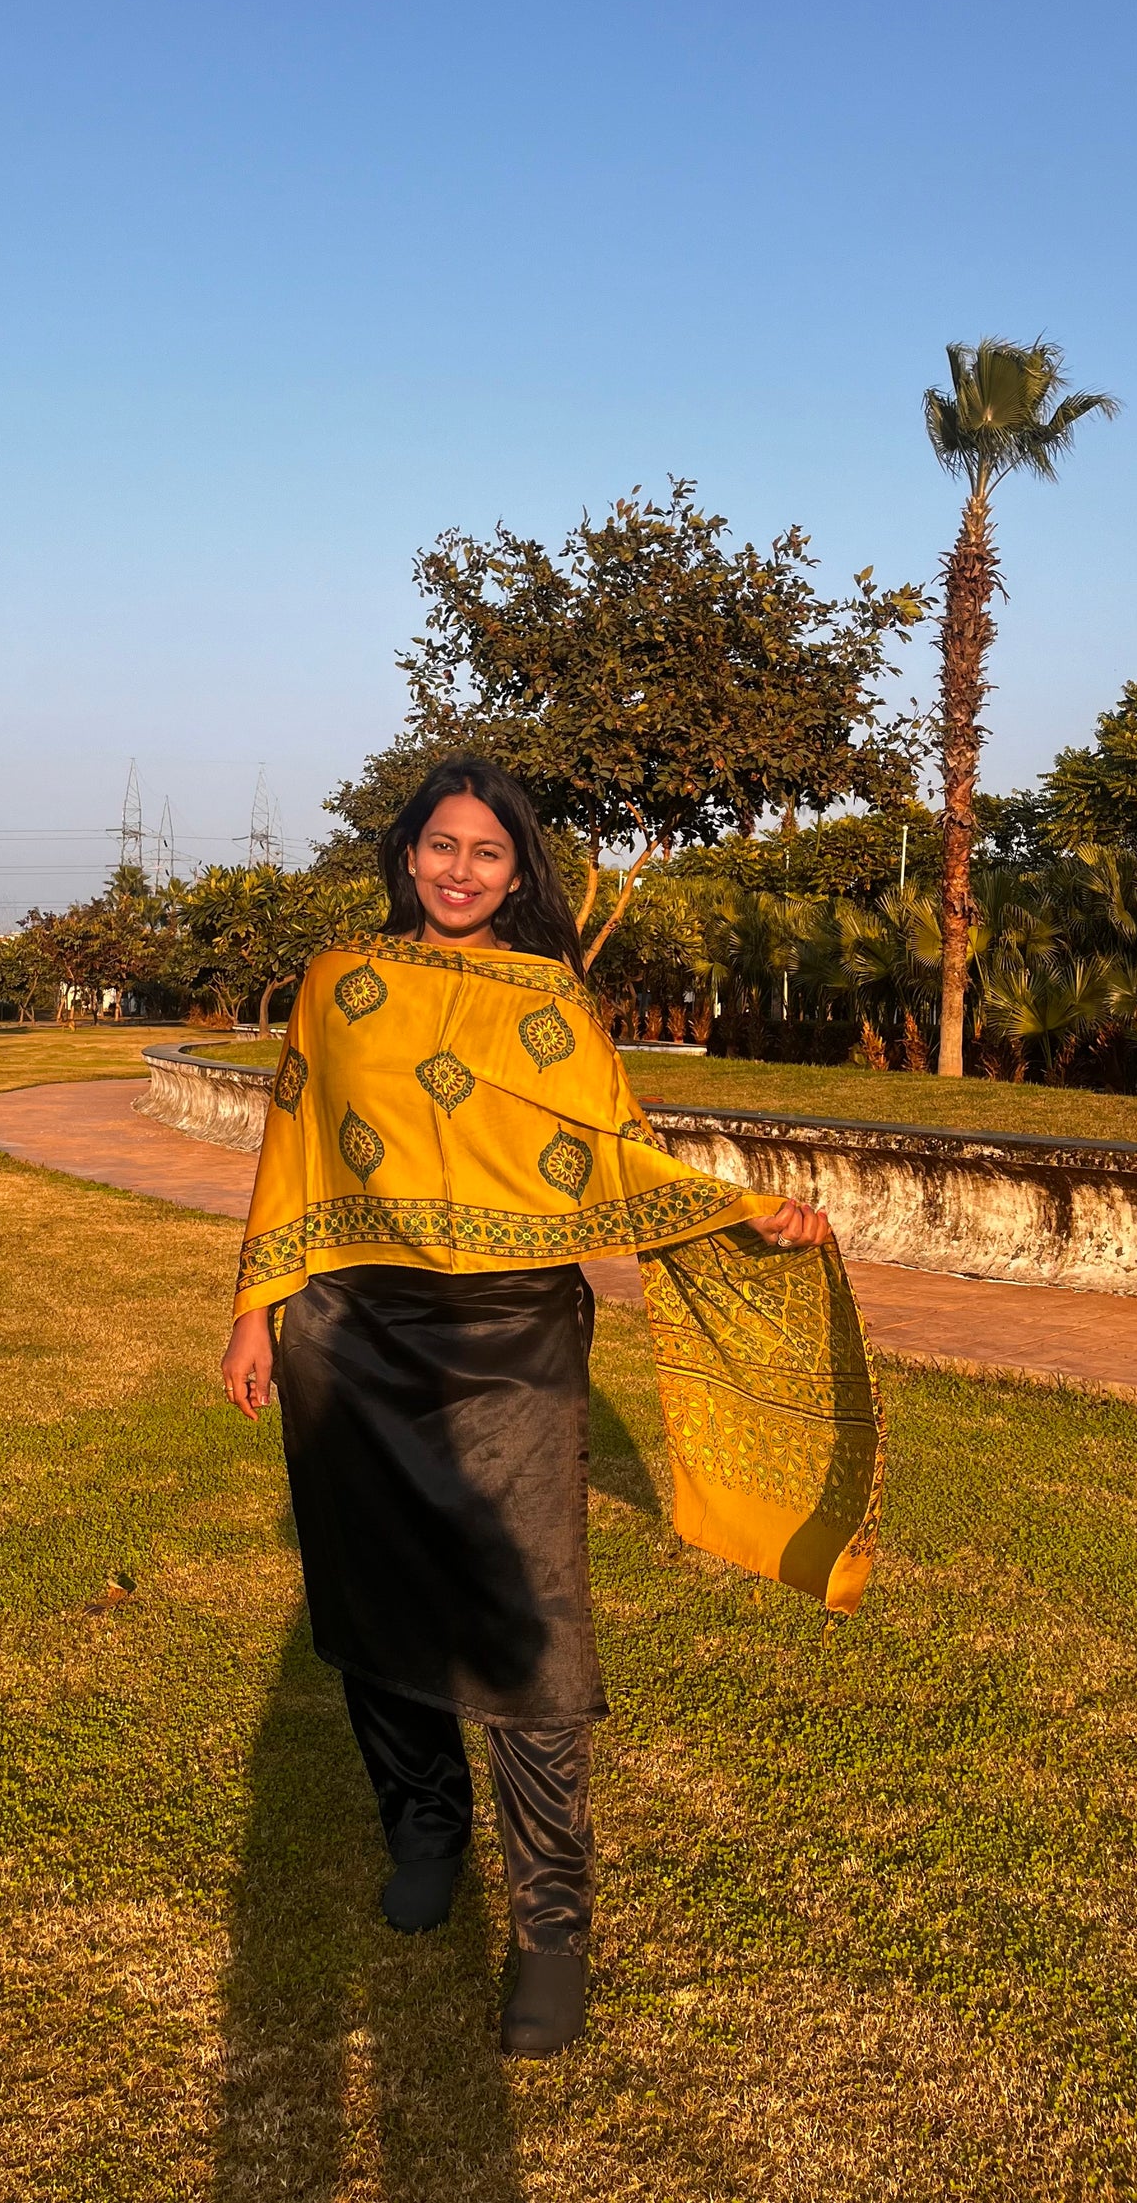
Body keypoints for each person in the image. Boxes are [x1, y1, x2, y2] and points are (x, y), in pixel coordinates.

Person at [222, 758, 881, 2059]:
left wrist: (747, 1211)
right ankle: (421, 1831)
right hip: (350, 1327)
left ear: (519, 872)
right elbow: (288, 1138)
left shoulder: (553, 1003)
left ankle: (551, 1926)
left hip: (511, 1335)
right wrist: (254, 1305)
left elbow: (619, 1153)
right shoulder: (334, 983)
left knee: (531, 1621)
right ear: (403, 852)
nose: (459, 868)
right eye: (438, 844)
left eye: (486, 852)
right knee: (368, 1593)